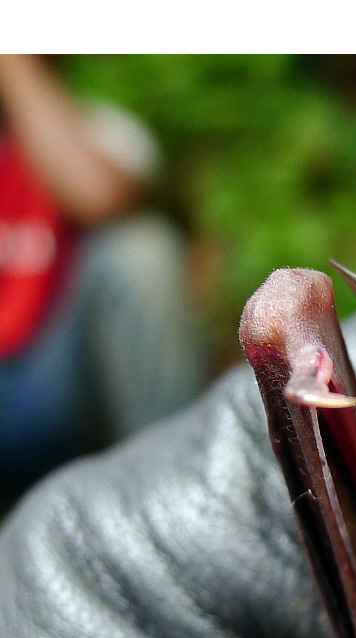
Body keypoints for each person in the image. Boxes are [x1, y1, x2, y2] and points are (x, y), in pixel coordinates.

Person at [0, 54, 203, 492]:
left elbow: (98, 194)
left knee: (141, 249)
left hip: (49, 380)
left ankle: (172, 487)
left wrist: (14, 64)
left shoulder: (98, 130)